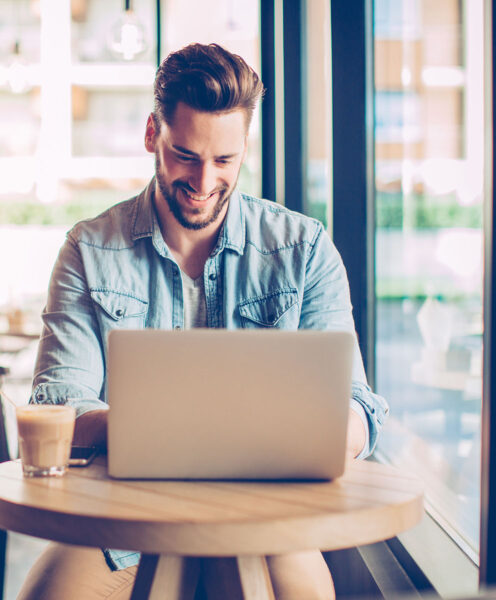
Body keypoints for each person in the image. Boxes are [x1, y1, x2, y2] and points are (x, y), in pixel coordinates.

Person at [20, 43, 389, 600]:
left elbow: (357, 403)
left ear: (245, 148)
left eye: (224, 161)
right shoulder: (89, 248)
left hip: (266, 521)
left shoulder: (304, 248)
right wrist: (190, 434)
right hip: (123, 521)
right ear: (153, 135)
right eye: (184, 155)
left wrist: (336, 435)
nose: (203, 180)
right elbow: (60, 403)